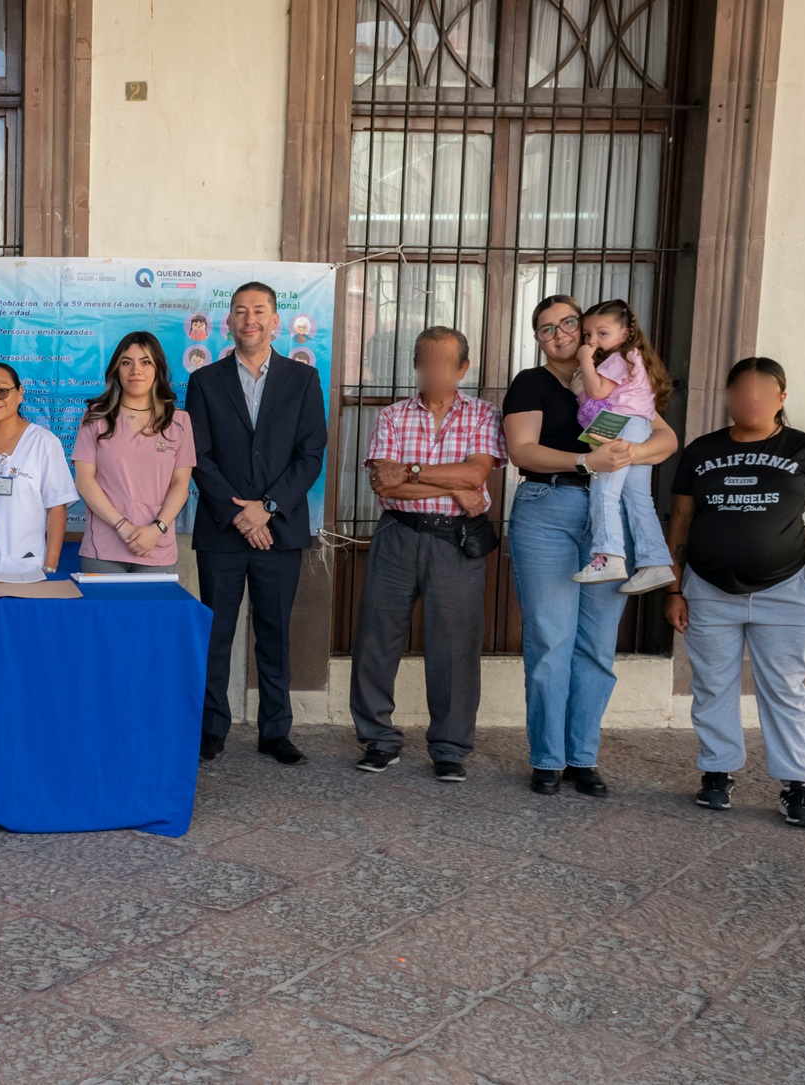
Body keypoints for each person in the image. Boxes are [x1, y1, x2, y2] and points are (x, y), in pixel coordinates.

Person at [503, 294, 679, 797]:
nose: (559, 334)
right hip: (549, 509)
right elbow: (522, 450)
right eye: (546, 328)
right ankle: (547, 757)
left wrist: (628, 453)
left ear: (586, 327)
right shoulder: (531, 382)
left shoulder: (621, 372)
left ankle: (582, 756)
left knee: (598, 644)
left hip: (611, 517)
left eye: (568, 323)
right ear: (538, 340)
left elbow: (666, 440)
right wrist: (587, 462)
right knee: (550, 640)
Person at [666, 358, 805, 829]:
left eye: (763, 392)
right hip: (708, 589)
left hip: (786, 591)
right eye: (741, 391)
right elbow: (680, 521)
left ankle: (796, 782)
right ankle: (717, 772)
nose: (752, 400)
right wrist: (674, 589)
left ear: (782, 398)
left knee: (784, 689)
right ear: (727, 396)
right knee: (712, 685)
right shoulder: (702, 451)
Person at [351, 327, 506, 782]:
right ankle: (378, 738)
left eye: (445, 363)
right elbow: (386, 484)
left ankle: (450, 747)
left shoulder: (483, 414)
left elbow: (475, 475)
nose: (435, 371)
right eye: (427, 362)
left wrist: (415, 472)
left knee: (455, 646)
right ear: (416, 365)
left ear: (463, 368)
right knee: (377, 639)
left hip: (455, 540)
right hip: (397, 534)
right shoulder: (393, 416)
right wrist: (453, 485)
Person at [187, 281, 328, 765]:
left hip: (279, 530)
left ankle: (275, 731)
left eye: (259, 310)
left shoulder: (302, 379)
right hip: (221, 531)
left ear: (275, 321)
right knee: (215, 634)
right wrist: (239, 514)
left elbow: (311, 454)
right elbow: (199, 457)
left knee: (274, 633)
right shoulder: (205, 381)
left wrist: (266, 508)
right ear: (228, 321)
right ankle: (211, 727)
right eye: (241, 311)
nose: (250, 319)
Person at [570, 299, 676, 593]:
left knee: (605, 490)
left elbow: (596, 392)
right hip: (638, 428)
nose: (593, 341)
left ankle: (609, 556)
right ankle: (655, 563)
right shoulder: (634, 357)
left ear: (626, 332)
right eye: (587, 335)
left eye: (602, 333)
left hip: (621, 426)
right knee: (638, 498)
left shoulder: (619, 358)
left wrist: (584, 360)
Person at [72, 332, 194, 573]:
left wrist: (157, 528)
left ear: (158, 369)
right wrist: (122, 526)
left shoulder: (179, 421)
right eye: (126, 362)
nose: (136, 370)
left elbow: (180, 484)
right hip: (103, 549)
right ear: (116, 370)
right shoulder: (95, 417)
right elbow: (84, 481)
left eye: (145, 362)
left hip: (157, 548)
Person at [0, 362, 78, 580]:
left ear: (20, 392)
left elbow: (57, 507)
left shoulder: (43, 442)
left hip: (25, 565)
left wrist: (50, 566)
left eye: (2, 391)